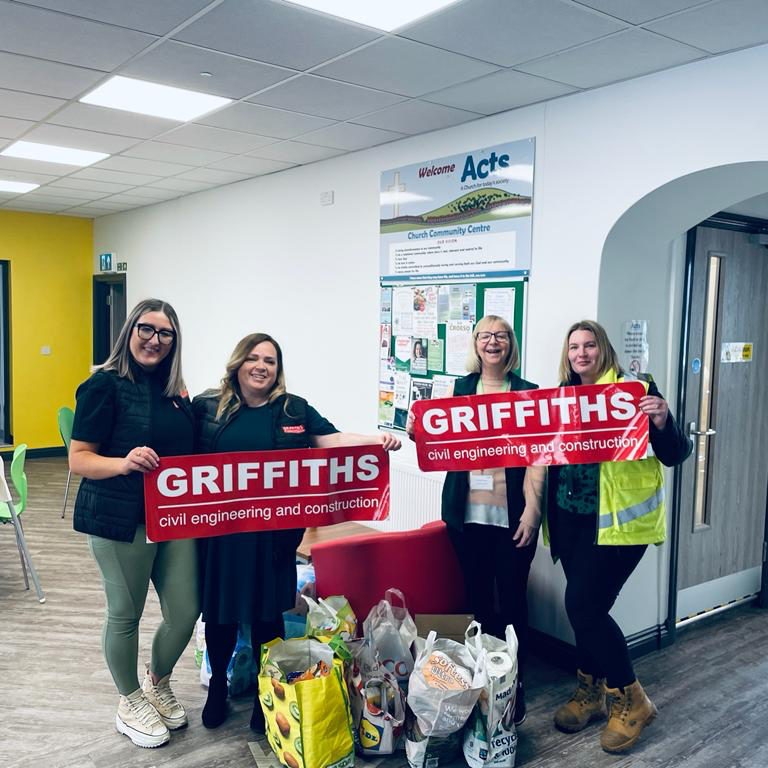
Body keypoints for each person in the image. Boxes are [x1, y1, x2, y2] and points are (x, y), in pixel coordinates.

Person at [193, 332, 401, 731]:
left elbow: (331, 439)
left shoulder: (293, 409)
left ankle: (262, 694)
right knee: (220, 615)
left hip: (273, 536)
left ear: (278, 369)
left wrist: (376, 440)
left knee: (268, 616)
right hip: (223, 534)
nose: (261, 367)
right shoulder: (208, 407)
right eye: (253, 358)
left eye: (270, 361)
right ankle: (217, 685)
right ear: (237, 363)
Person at [547, 320, 691, 754]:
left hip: (620, 524)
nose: (582, 353)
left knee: (583, 605)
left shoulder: (635, 388)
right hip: (572, 522)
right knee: (588, 610)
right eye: (574, 346)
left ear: (602, 349)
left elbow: (675, 453)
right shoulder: (559, 396)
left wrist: (664, 420)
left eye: (590, 345)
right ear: (567, 354)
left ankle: (631, 699)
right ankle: (590, 693)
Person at [70, 299, 198, 749]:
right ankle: (129, 699)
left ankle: (157, 681)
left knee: (185, 610)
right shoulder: (103, 385)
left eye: (165, 334)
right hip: (119, 518)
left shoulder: (176, 393)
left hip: (172, 517)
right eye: (147, 329)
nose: (155, 340)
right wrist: (123, 463)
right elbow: (78, 458)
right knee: (125, 615)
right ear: (130, 331)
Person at [408, 314, 544, 726]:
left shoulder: (527, 392)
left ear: (510, 344)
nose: (493, 343)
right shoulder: (460, 388)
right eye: (485, 336)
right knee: (478, 597)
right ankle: (484, 675)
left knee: (514, 600)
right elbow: (439, 439)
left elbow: (539, 456)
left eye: (501, 336)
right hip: (466, 517)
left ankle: (515, 679)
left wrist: (533, 513)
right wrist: (418, 432)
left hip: (513, 518)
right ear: (475, 343)